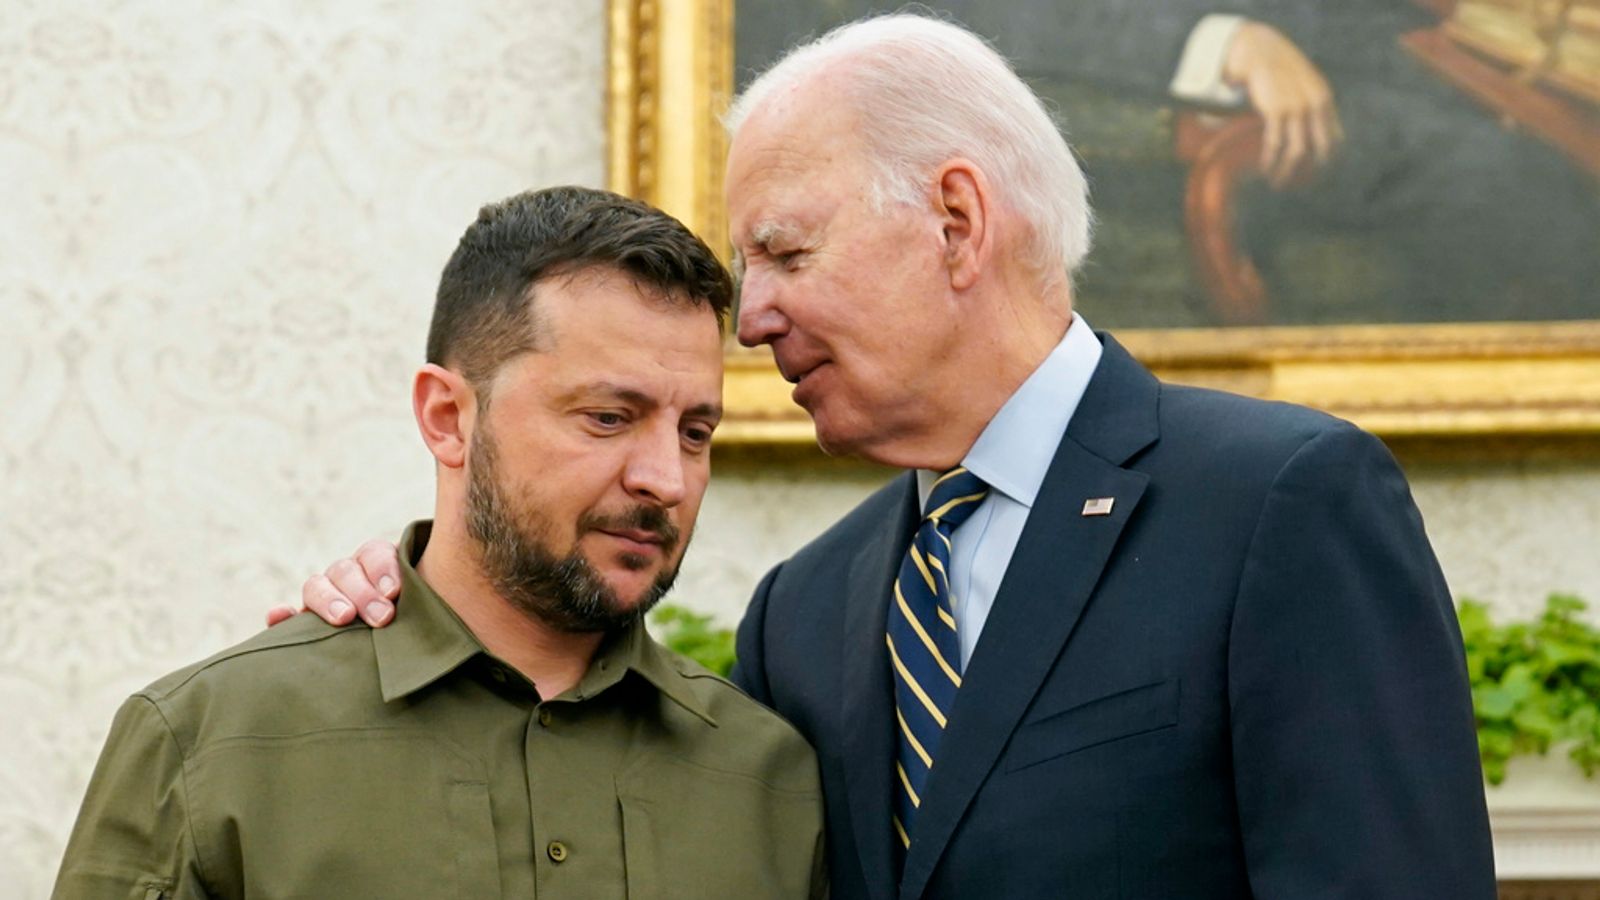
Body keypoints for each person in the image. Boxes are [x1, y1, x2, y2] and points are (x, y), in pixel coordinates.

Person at [291, 15, 1497, 900]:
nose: (749, 317)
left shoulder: (1279, 503)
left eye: (784, 254)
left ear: (957, 222)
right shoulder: (803, 612)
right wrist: (416, 596)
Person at [55, 186, 826, 899]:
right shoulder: (209, 744)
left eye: (696, 432)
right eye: (607, 417)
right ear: (448, 418)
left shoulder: (772, 780)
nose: (666, 478)